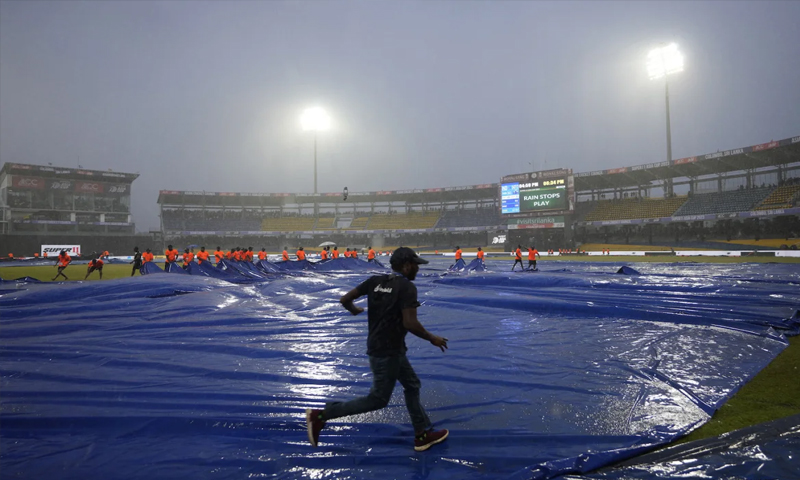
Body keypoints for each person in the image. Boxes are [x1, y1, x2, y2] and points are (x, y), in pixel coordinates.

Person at [305, 247, 449, 452]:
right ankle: (321, 415)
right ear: (406, 266)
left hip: (384, 347)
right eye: (416, 265)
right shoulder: (406, 287)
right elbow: (409, 323)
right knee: (378, 399)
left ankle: (422, 434)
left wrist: (354, 310)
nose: (418, 269)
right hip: (387, 352)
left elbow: (345, 299)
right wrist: (432, 338)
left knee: (412, 385)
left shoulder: (374, 281)